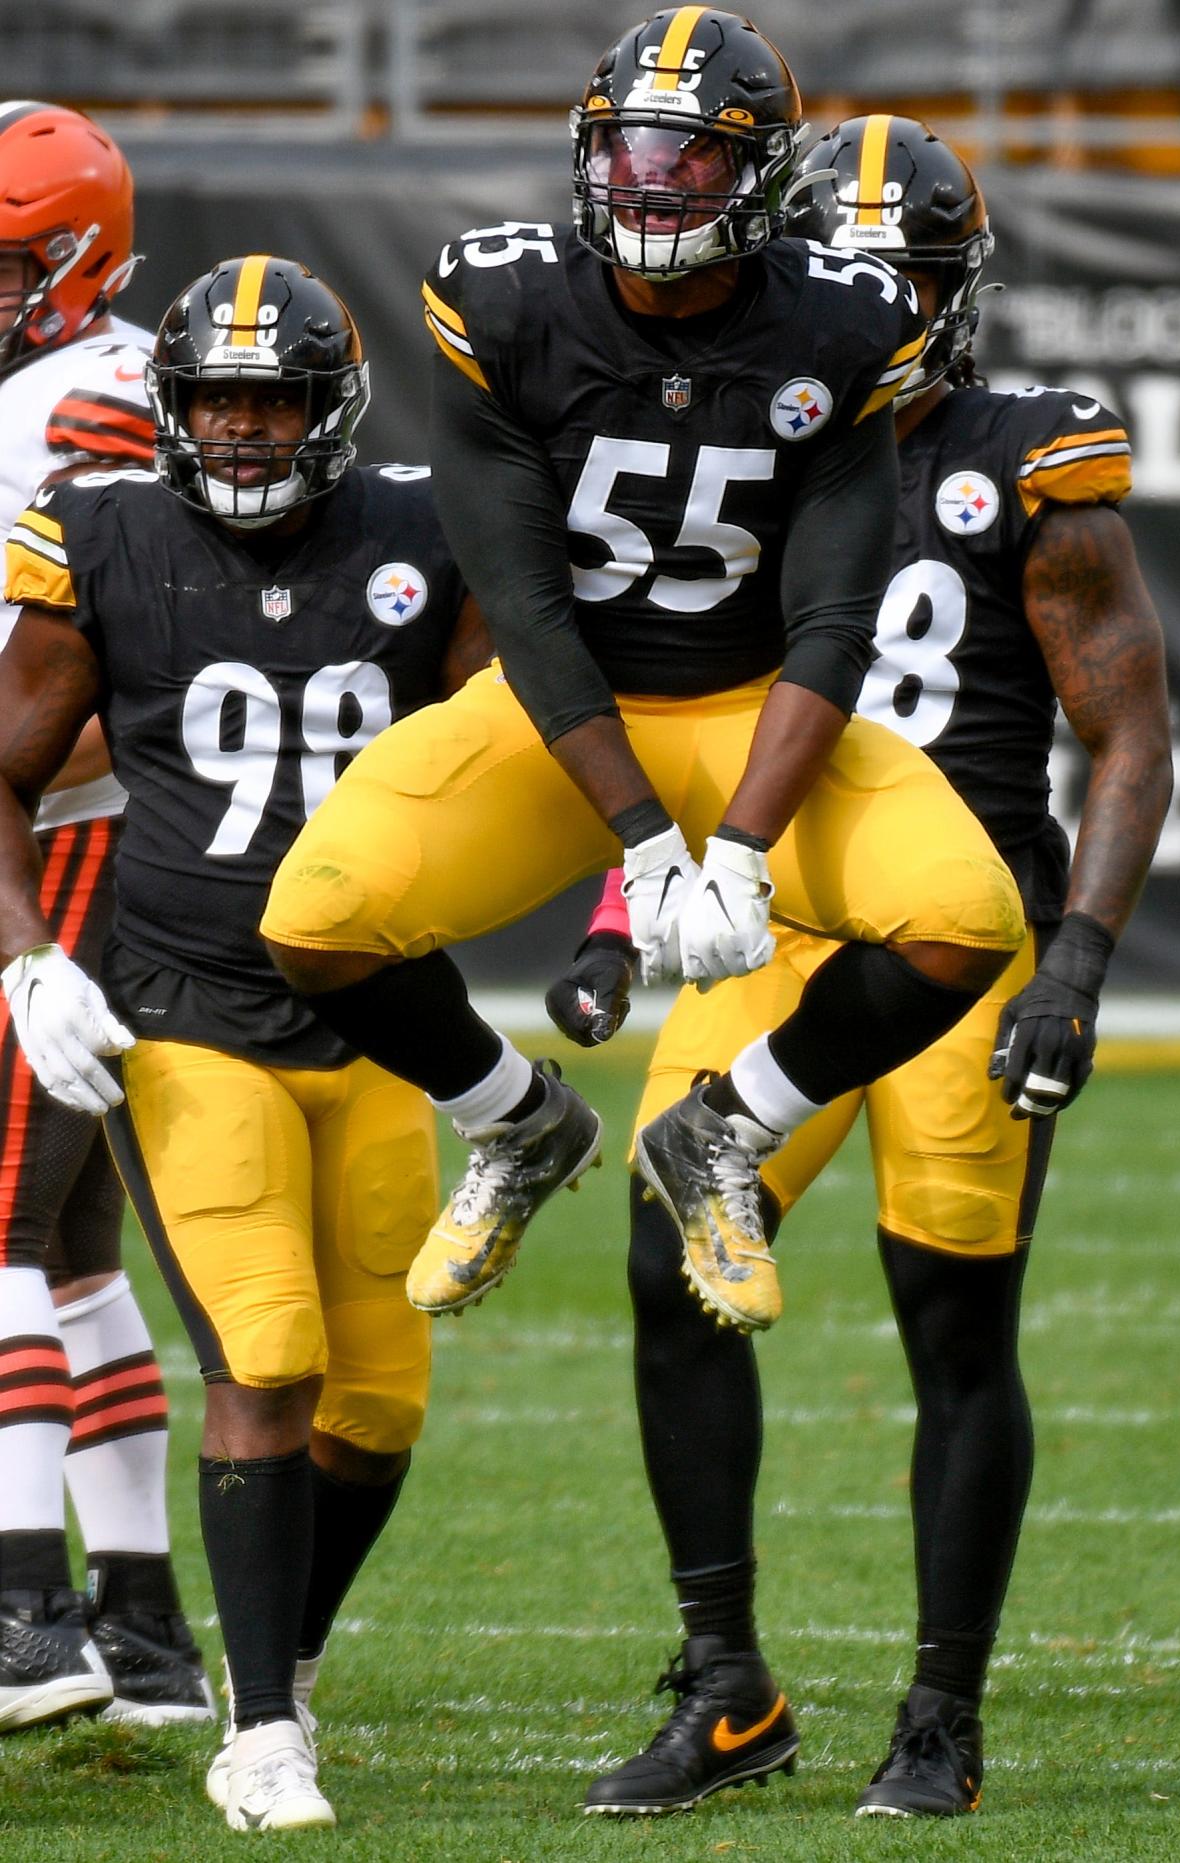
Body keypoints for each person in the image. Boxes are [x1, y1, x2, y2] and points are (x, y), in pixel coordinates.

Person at [549, 116, 1173, 1819]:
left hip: (965, 942)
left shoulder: (1019, 458)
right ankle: (728, 1688)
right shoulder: (724, 443)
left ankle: (940, 1713)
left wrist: (1080, 961)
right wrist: (619, 918)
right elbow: (667, 709)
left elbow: (1125, 738)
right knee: (668, 1252)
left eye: (913, 279)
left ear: (960, 294)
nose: (880, 307)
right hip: (780, 927)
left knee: (952, 1321)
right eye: (852, 276)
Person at [257, 10, 1024, 1347]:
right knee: (313, 922)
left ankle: (724, 1128)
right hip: (563, 716)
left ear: (760, 178)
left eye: (690, 156)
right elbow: (526, 604)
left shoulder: (839, 323)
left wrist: (739, 845)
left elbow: (835, 614)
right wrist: (643, 843)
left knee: (965, 916)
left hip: (754, 704)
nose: (648, 180)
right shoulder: (504, 300)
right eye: (626, 148)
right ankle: (515, 1122)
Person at [0, 254, 493, 1829]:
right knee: (267, 1353)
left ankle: (277, 1658)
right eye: (213, 399)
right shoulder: (106, 532)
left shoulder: (423, 531)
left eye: (270, 399)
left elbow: (528, 738)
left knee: (377, 1403)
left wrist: (619, 885)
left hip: (377, 1018)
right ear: (170, 408)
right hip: (187, 1002)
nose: (239, 430)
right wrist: (27, 962)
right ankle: (262, 1729)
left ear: (330, 409)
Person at [0, 98, 211, 1732]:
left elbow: (131, 645)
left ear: (71, 263)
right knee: (69, 1235)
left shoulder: (95, 396)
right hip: (66, 815)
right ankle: (140, 1629)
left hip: (68, 818)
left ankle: (24, 1613)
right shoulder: (60, 381)